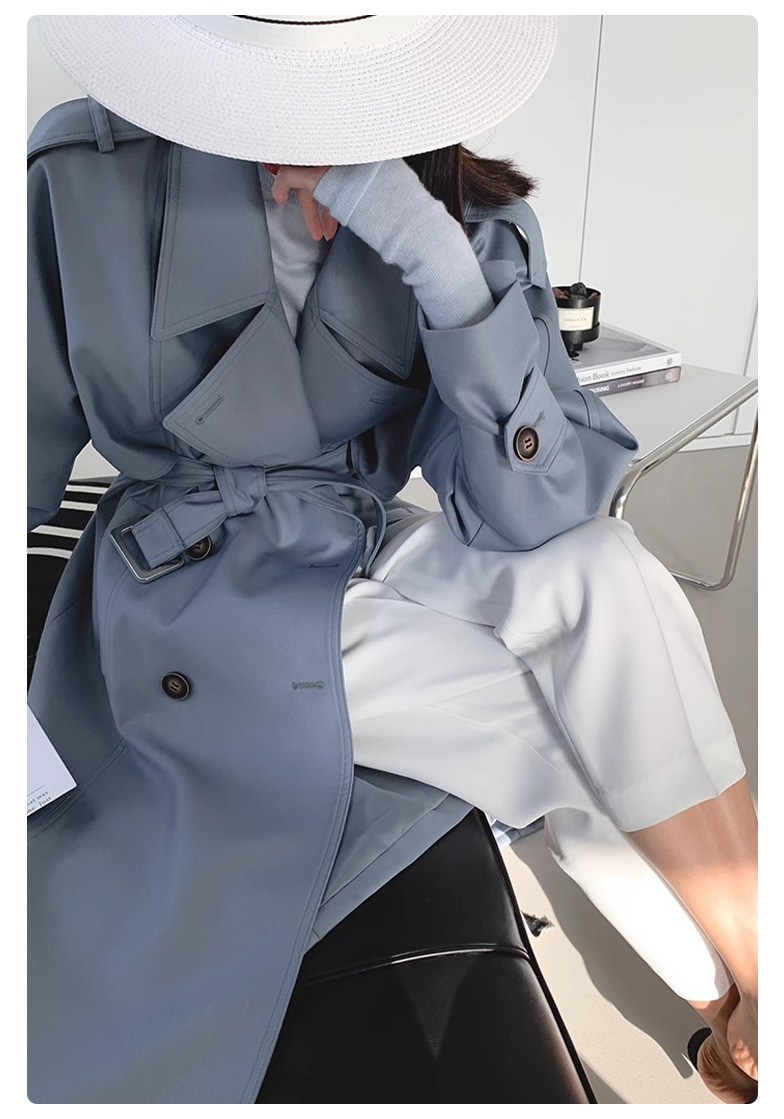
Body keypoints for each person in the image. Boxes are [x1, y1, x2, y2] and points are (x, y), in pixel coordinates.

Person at [28, 15, 757, 1104]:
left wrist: (436, 264)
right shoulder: (86, 175)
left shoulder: (465, 216)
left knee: (604, 570)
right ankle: (744, 1006)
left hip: (361, 539)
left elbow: (540, 512)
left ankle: (753, 998)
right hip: (187, 589)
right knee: (547, 727)